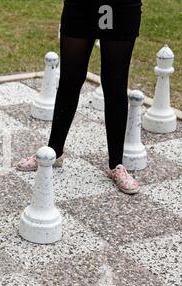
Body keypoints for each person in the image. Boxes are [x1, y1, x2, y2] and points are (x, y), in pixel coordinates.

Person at [16, 0, 142, 194]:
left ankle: (117, 165)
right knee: (70, 80)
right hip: (82, 5)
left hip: (122, 6)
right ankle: (55, 152)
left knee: (115, 84)